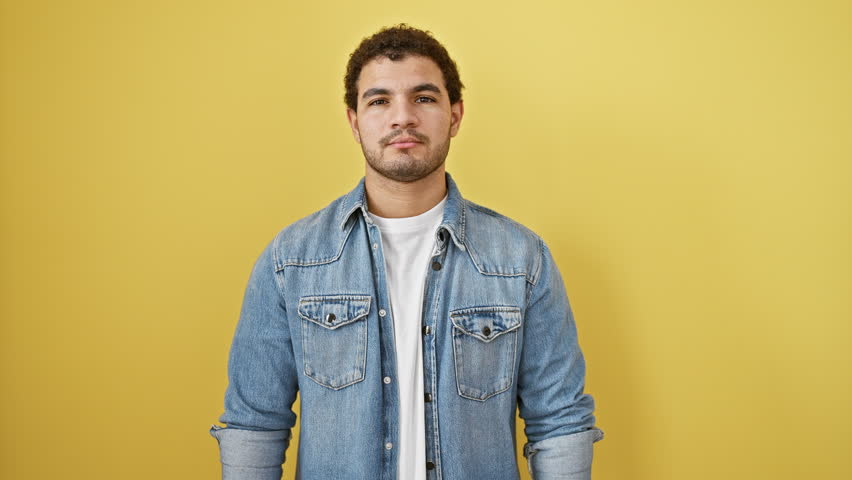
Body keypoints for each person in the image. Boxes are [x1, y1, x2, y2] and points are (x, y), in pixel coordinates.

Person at [209, 23, 604, 480]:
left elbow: (559, 422)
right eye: (379, 101)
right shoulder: (291, 261)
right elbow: (255, 424)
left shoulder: (521, 259)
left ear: (455, 115)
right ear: (354, 122)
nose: (402, 118)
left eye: (424, 98)